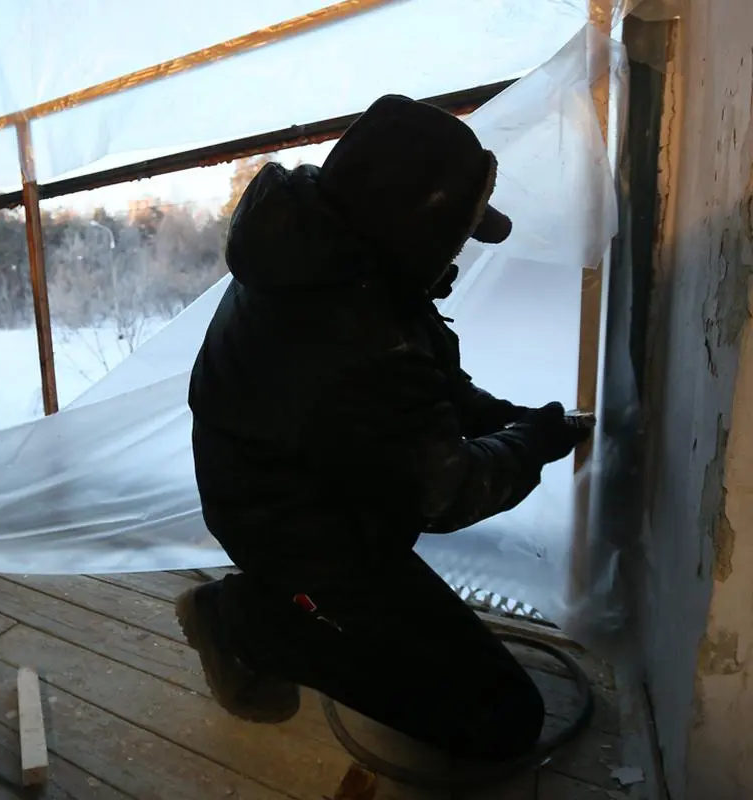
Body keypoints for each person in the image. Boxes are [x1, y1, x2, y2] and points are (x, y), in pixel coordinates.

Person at [178, 94, 592, 762]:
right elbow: (447, 492)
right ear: (414, 232)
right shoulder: (355, 324)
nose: (459, 249)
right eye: (456, 235)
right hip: (304, 541)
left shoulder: (314, 251)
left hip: (295, 496)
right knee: (504, 721)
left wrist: (503, 418)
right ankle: (249, 621)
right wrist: (533, 443)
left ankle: (278, 607)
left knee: (455, 670)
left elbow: (418, 391)